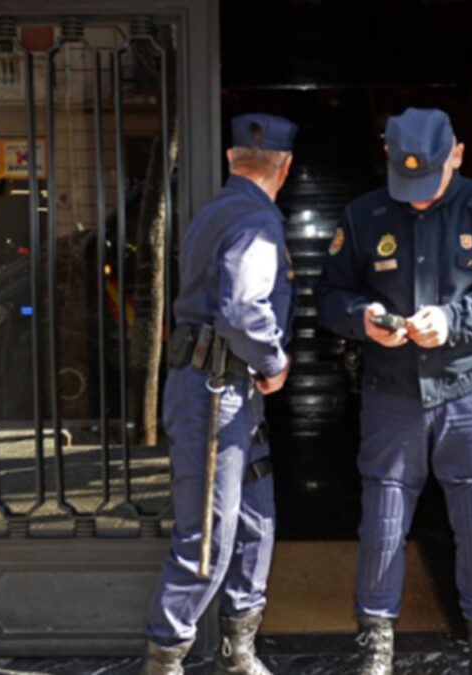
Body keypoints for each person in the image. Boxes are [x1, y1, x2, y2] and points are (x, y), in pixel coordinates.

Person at [316, 107, 472, 675]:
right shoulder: (365, 214)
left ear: (458, 155)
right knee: (383, 521)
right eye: (406, 182)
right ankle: (375, 645)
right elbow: (330, 294)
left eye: (431, 180)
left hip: (469, 395)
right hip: (391, 395)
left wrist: (456, 318)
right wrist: (361, 317)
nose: (416, 198)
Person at [142, 113, 297, 675]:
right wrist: (274, 361)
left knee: (255, 516)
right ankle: (166, 657)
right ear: (285, 167)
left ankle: (239, 651)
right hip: (218, 393)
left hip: (222, 390)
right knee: (208, 533)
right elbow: (240, 308)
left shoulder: (212, 211)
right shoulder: (258, 221)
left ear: (232, 159)